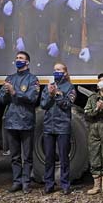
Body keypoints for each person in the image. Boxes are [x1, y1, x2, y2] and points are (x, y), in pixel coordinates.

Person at [0, 51, 40, 194]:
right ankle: (16, 182)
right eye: (16, 58)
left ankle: (26, 182)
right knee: (14, 156)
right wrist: (5, 92)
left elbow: (32, 98)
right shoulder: (10, 78)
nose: (18, 60)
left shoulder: (32, 80)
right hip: (11, 121)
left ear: (27, 62)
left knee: (27, 156)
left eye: (21, 58)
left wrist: (15, 92)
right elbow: (1, 99)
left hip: (26, 121)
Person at [40, 62, 76, 195]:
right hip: (49, 126)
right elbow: (43, 105)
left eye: (59, 70)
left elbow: (67, 104)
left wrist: (57, 94)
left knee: (63, 157)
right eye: (55, 69)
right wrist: (50, 94)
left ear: (65, 72)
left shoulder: (70, 87)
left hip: (63, 126)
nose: (56, 72)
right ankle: (49, 184)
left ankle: (65, 184)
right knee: (49, 157)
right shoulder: (48, 87)